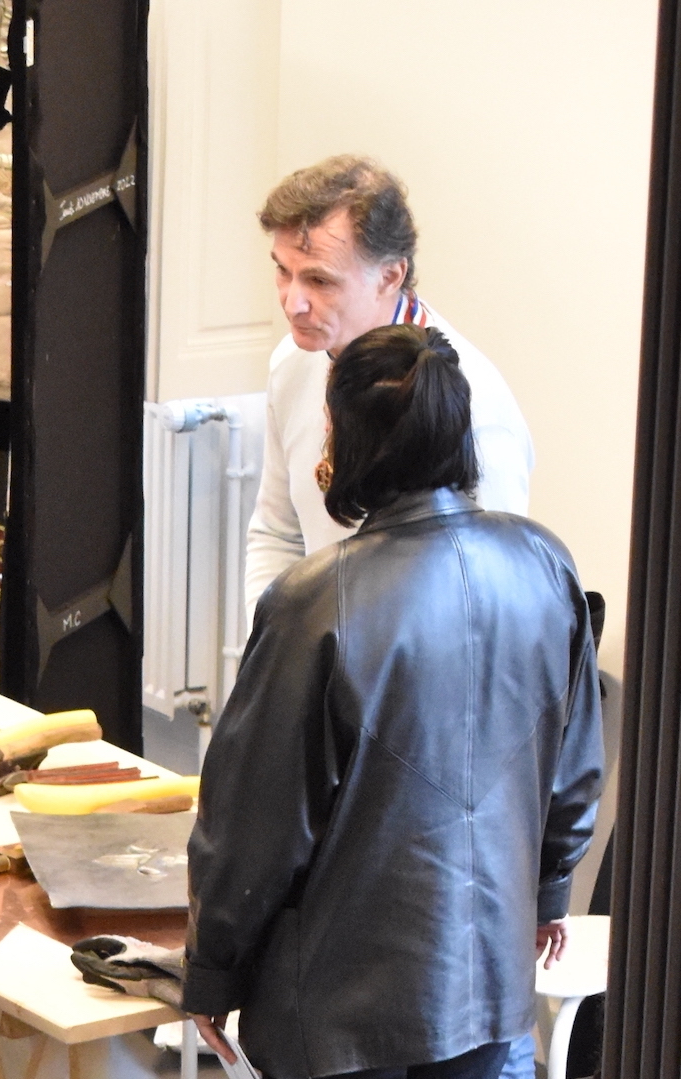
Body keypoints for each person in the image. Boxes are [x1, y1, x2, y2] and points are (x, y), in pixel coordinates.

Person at [184, 324, 604, 1079]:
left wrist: (213, 967)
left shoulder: (314, 600)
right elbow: (573, 767)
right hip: (492, 985)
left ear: (345, 436)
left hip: (340, 1008)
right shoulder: (545, 563)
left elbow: (255, 821)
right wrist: (549, 891)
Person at [244, 155, 533, 611]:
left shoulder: (472, 405)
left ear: (390, 276)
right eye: (283, 270)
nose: (292, 302)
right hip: (317, 644)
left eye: (319, 279)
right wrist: (269, 642)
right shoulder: (292, 361)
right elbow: (279, 535)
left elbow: (493, 598)